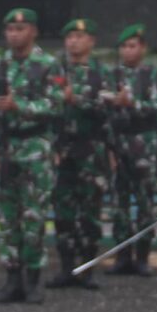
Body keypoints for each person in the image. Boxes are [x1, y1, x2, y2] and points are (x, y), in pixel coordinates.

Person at [0, 7, 61, 305]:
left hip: (35, 147)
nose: (14, 35)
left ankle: (33, 279)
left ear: (33, 31)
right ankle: (11, 278)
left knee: (34, 216)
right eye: (10, 29)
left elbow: (55, 105)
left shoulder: (48, 65)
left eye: (20, 29)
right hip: (6, 147)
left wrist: (20, 107)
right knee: (7, 217)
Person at [48, 17, 112, 290]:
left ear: (91, 41)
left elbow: (109, 107)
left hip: (91, 149)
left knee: (89, 211)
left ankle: (87, 268)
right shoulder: (54, 70)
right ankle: (66, 267)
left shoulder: (102, 73)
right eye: (70, 37)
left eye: (79, 37)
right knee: (62, 210)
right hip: (62, 149)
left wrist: (79, 100)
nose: (73, 42)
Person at [104, 24, 157, 277]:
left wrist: (133, 103)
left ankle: (142, 255)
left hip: (143, 144)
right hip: (118, 143)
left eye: (132, 46)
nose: (127, 51)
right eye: (123, 47)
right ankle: (122, 255)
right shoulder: (112, 76)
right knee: (119, 203)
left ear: (143, 48)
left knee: (144, 201)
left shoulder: (153, 76)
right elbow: (103, 110)